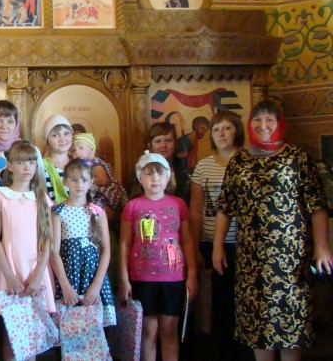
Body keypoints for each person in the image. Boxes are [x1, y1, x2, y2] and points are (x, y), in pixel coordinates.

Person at [213, 101, 332, 361]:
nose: (262, 125)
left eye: (269, 119)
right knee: (257, 324)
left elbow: (317, 206)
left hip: (291, 260)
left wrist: (323, 248)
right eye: (257, 119)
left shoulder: (297, 157)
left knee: (292, 324)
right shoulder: (239, 161)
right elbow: (225, 207)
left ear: (279, 123)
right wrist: (217, 246)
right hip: (251, 260)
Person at [0, 140, 55, 360]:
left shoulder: (41, 198)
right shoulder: (1, 197)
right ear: (10, 166)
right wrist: (9, 276)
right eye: (20, 162)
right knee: (11, 334)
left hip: (35, 268)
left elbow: (46, 239)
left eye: (31, 162)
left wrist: (38, 274)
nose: (26, 167)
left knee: (32, 334)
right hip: (8, 267)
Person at [120, 151, 197, 361]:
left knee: (170, 331)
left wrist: (192, 275)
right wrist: (124, 279)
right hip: (142, 279)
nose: (155, 178)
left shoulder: (179, 204)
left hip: (173, 278)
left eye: (160, 173)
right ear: (140, 177)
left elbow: (187, 240)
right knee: (148, 332)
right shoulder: (132, 206)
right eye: (149, 173)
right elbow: (125, 244)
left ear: (168, 176)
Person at [188, 110, 247, 361]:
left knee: (243, 299)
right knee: (219, 301)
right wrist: (194, 247)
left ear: (237, 131)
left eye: (227, 128)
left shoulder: (248, 162)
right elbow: (196, 209)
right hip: (212, 242)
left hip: (244, 242)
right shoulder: (204, 166)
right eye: (216, 129)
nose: (221, 134)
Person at [50, 159, 115, 325]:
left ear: (91, 182)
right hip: (68, 276)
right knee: (69, 326)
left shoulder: (97, 211)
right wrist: (65, 286)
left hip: (93, 276)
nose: (79, 185)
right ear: (65, 181)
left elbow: (106, 250)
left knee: (95, 328)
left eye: (84, 180)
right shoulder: (58, 211)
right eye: (74, 179)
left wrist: (97, 285)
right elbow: (54, 252)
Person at [71, 133, 128, 220]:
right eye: (73, 150)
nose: (77, 152)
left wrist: (86, 180)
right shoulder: (85, 164)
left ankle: (103, 221)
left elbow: (102, 180)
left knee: (98, 208)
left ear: (91, 149)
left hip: (106, 192)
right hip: (96, 192)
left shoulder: (95, 163)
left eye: (81, 148)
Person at [41, 115, 73, 204]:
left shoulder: (79, 164)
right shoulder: (41, 167)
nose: (62, 139)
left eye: (66, 133)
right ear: (47, 141)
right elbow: (42, 200)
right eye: (55, 135)